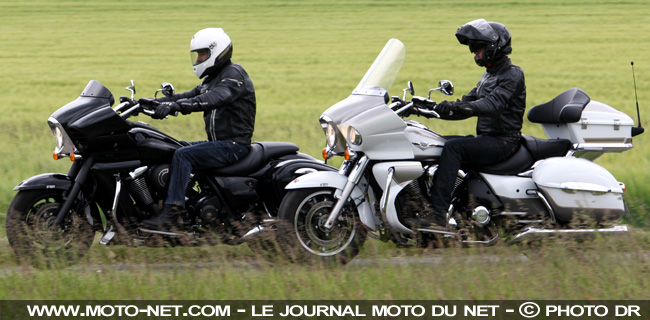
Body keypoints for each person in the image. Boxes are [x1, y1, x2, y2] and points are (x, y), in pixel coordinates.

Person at [409, 19, 526, 230]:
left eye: (478, 48)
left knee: (454, 148)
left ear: (493, 47)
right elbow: (466, 104)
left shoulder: (512, 75)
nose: (475, 54)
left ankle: (437, 215)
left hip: (504, 141)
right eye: (473, 49)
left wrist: (461, 108)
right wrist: (427, 109)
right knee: (434, 143)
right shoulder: (489, 76)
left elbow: (492, 104)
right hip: (487, 139)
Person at [140, 28, 256, 230]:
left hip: (234, 145)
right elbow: (185, 95)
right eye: (198, 54)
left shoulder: (233, 75)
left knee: (184, 155)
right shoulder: (212, 78)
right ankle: (188, 200)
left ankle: (172, 211)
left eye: (203, 54)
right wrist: (147, 103)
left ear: (217, 51)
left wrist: (177, 107)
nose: (199, 58)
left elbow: (214, 98)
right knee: (172, 148)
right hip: (220, 144)